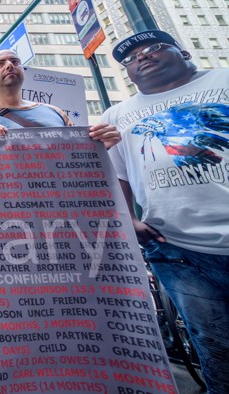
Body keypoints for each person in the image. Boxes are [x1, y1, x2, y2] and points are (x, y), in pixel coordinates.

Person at [102, 30, 229, 393]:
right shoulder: (118, 115)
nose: (142, 56)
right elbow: (118, 177)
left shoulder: (223, 79)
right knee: (214, 341)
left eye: (154, 47)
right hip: (177, 248)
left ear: (183, 51)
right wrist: (129, 220)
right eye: (131, 58)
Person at [0, 50, 120, 148]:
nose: (9, 65)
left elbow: (76, 156)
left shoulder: (55, 112)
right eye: (0, 64)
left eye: (15, 61)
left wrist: (100, 146)